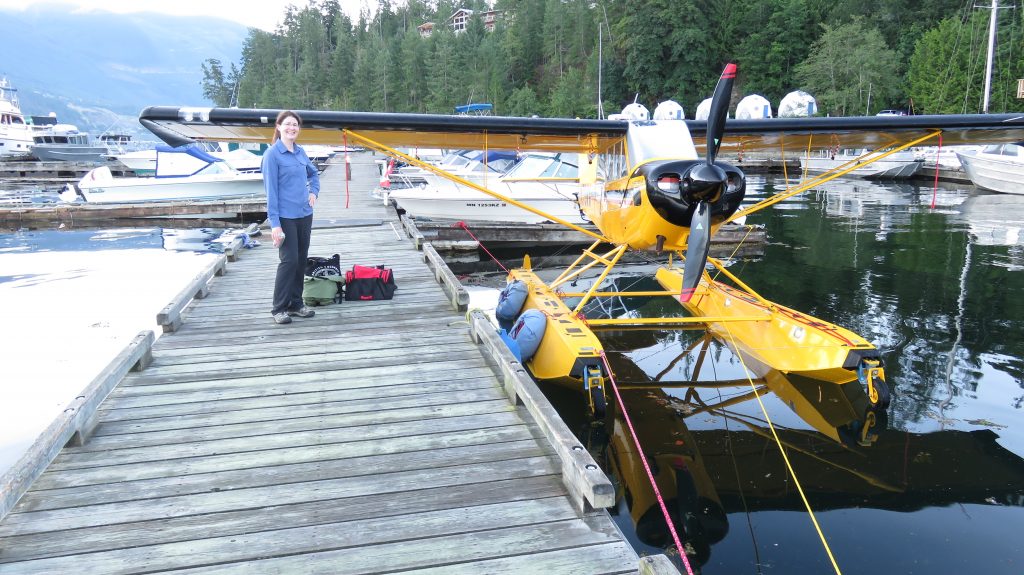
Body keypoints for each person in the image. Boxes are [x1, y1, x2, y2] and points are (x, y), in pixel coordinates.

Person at [263, 110, 321, 324]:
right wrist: (275, 225)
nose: (291, 128)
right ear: (278, 127)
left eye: (295, 124)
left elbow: (313, 174)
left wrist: (314, 192)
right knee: (289, 261)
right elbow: (271, 192)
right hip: (285, 217)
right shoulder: (272, 155)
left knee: (301, 260)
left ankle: (296, 304)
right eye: (287, 124)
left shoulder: (300, 151)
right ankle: (279, 308)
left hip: (304, 214)